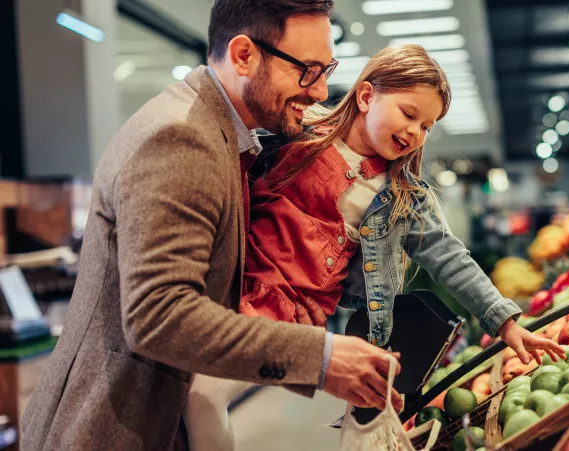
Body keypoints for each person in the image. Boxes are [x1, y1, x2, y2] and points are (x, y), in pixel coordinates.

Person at [21, 1, 403, 450]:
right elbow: (158, 316)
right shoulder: (182, 138)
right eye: (307, 70)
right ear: (244, 55)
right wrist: (320, 358)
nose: (320, 91)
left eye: (326, 69)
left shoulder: (223, 133)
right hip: (111, 431)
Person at [184, 44, 566, 451]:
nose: (415, 132)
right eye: (408, 114)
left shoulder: (403, 197)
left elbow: (451, 259)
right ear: (366, 97)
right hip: (227, 286)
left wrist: (504, 322)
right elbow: (227, 167)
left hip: (287, 317)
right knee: (187, 392)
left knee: (201, 396)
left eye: (427, 126)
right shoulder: (295, 139)